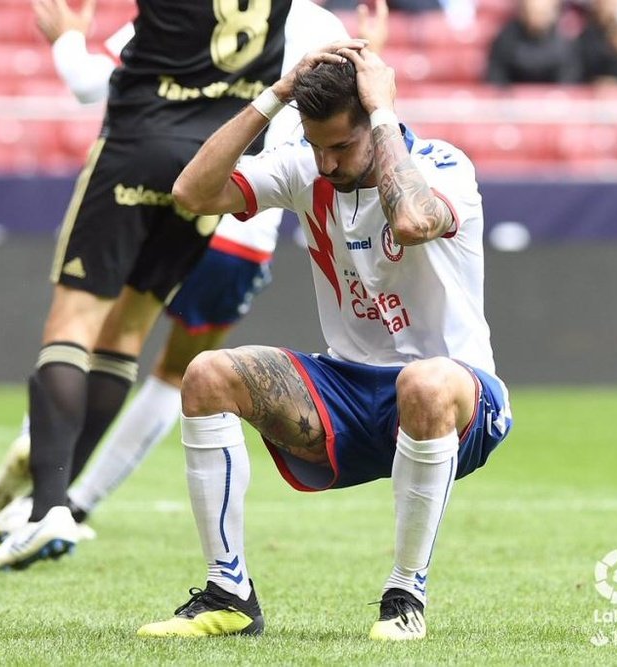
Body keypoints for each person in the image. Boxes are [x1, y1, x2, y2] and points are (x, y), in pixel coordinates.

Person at [136, 42, 513, 641]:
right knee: (207, 373)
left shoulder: (444, 166)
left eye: (341, 146)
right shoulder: (305, 166)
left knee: (423, 379)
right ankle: (228, 593)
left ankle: (404, 596)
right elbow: (192, 194)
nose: (327, 163)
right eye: (316, 146)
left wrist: (382, 111)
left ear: (376, 122)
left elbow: (413, 222)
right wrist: (274, 97)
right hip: (349, 391)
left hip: (459, 396)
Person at [0, 0, 378, 546]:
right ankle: (75, 502)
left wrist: (69, 38)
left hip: (183, 173)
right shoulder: (323, 27)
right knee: (168, 375)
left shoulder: (190, 12)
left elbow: (97, 80)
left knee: (87, 331)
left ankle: (42, 462)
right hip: (243, 221)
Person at [486, 0, 582, 85]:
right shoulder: (507, 38)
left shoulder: (565, 42)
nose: (537, 17)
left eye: (542, 13)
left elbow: (569, 81)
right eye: (534, 12)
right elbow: (496, 76)